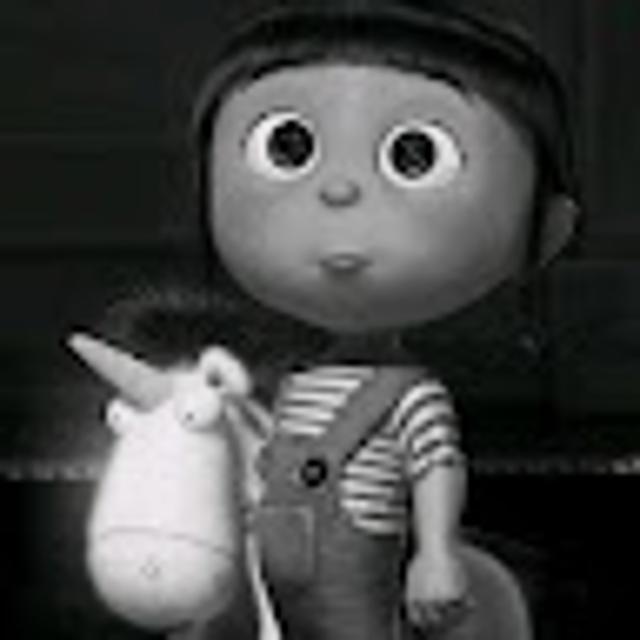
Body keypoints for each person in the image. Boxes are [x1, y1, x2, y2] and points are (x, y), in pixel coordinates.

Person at [83, 1, 580, 638]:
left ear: (546, 232)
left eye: (414, 155)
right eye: (287, 147)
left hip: (359, 573)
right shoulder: (281, 384)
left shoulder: (411, 397)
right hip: (272, 565)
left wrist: (436, 555)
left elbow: (434, 467)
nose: (339, 189)